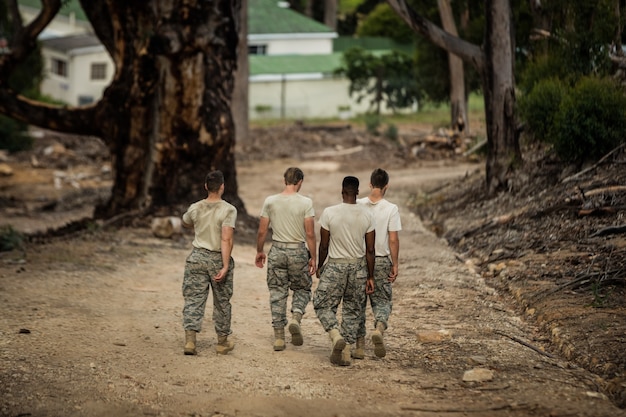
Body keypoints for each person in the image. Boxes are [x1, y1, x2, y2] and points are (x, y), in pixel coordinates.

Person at [313, 176, 375, 366]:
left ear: (342, 192)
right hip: (358, 267)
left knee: (321, 303)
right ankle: (346, 351)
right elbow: (370, 250)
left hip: (335, 265)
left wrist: (320, 265)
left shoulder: (330, 213)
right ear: (357, 192)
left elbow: (324, 245)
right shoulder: (367, 215)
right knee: (353, 310)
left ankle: (334, 334)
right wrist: (370, 276)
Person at [255, 167, 317, 351]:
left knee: (277, 293)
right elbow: (310, 233)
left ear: (284, 181)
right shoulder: (306, 202)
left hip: (277, 250)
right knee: (303, 288)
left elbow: (262, 230)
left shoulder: (270, 201)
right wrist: (313, 257)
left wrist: (260, 250)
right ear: (300, 182)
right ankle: (296, 317)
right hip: (297, 251)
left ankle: (279, 337)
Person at [181, 170, 237, 356]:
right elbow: (226, 239)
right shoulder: (228, 209)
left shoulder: (195, 207)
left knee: (194, 299)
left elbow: (186, 222)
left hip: (197, 257)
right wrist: (225, 264)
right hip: (216, 258)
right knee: (222, 301)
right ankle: (222, 342)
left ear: (206, 186)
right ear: (222, 186)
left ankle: (190, 341)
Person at [354, 168, 401, 358]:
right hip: (381, 260)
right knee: (382, 301)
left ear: (370, 184)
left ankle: (358, 348)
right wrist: (395, 264)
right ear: (386, 186)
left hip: (358, 260)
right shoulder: (391, 208)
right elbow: (393, 239)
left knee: (357, 304)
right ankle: (379, 329)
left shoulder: (357, 204)